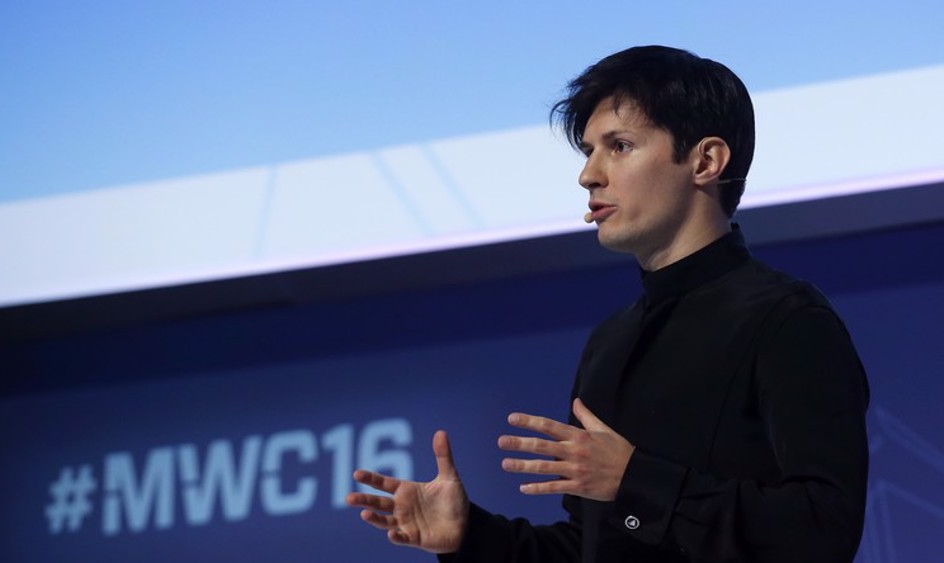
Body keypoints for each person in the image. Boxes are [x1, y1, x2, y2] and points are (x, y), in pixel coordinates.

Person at [346, 45, 869, 562]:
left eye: (619, 146)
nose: (588, 175)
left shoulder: (786, 320)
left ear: (706, 161)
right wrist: (470, 537)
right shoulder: (610, 342)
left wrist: (634, 480)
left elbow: (824, 529)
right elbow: (591, 549)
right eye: (588, 151)